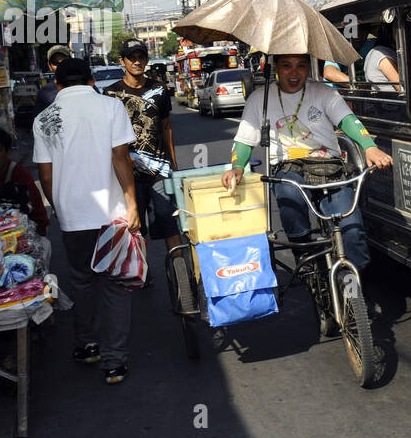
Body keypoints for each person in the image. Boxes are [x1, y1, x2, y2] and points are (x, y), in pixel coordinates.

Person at [220, 53, 393, 270]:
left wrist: (370, 146)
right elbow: (244, 140)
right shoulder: (259, 98)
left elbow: (348, 120)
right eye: (287, 65)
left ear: (309, 68)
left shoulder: (323, 92)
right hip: (287, 168)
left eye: (301, 66)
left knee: (352, 230)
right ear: (276, 67)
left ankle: (352, 286)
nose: (294, 72)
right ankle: (306, 258)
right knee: (291, 200)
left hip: (329, 166)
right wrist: (237, 167)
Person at [33, 58, 141, 385]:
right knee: (116, 286)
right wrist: (132, 202)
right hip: (111, 213)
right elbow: (120, 157)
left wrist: (59, 206)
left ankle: (86, 344)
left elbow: (46, 174)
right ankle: (114, 362)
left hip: (72, 216)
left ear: (58, 84)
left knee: (81, 281)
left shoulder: (44, 118)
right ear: (91, 79)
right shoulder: (111, 107)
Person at [101, 38, 181, 269]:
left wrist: (173, 166)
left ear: (146, 59)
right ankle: (141, 273)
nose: (137, 61)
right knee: (135, 228)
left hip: (159, 173)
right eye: (131, 57)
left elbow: (166, 127)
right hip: (128, 176)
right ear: (122, 61)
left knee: (169, 221)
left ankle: (181, 271)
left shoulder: (159, 90)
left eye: (141, 57)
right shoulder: (110, 94)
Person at [33, 44, 71, 118]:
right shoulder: (45, 93)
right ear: (49, 66)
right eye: (55, 63)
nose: (61, 65)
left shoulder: (86, 85)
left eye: (64, 61)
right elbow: (39, 121)